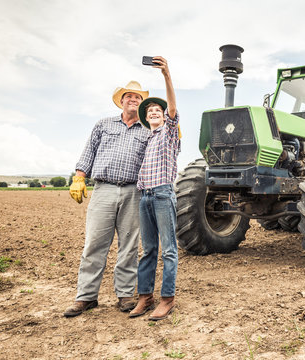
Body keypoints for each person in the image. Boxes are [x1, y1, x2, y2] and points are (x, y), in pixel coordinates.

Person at [64, 80, 151, 317]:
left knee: (129, 246)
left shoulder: (147, 129)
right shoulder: (103, 124)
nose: (133, 100)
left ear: (142, 104)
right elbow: (89, 151)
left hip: (134, 191)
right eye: (128, 96)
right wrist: (79, 177)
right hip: (103, 189)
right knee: (94, 243)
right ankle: (86, 297)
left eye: (137, 97)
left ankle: (124, 295)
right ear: (121, 101)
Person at [129, 56, 181, 321]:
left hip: (162, 194)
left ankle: (167, 299)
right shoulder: (147, 140)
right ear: (146, 118)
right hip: (145, 197)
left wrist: (167, 75)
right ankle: (145, 297)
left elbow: (172, 106)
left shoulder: (170, 133)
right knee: (148, 249)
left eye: (157, 111)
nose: (153, 112)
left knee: (169, 249)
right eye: (149, 111)